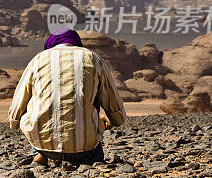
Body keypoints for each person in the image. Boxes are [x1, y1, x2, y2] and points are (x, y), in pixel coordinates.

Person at [8, 28, 126, 166]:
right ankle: (91, 159)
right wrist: (115, 120)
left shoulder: (37, 60)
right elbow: (113, 103)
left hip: (42, 144)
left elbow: (17, 106)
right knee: (91, 95)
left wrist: (15, 122)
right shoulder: (93, 58)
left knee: (37, 104)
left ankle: (37, 153)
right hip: (85, 148)